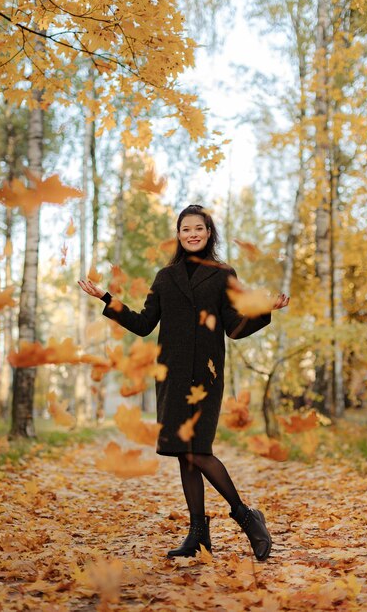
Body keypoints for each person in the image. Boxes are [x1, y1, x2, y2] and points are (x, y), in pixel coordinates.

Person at [78, 204, 289, 562]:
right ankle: (199, 537)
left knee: (197, 450)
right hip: (173, 377)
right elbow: (145, 324)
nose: (192, 234)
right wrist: (107, 299)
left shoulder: (223, 274)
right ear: (178, 234)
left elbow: (234, 328)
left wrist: (263, 310)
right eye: (185, 228)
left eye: (199, 228)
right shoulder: (164, 277)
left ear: (209, 233)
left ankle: (246, 516)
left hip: (205, 376)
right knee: (184, 455)